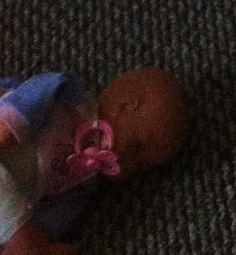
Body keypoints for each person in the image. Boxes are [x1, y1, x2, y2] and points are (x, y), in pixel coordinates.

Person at [0, 67, 189, 255]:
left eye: (141, 166)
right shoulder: (72, 101)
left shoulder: (83, 185)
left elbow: (55, 216)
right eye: (136, 148)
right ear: (125, 106)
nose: (130, 164)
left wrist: (43, 238)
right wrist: (9, 127)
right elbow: (34, 94)